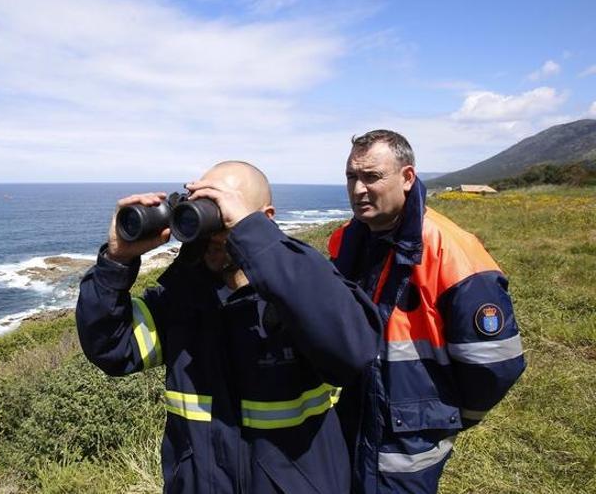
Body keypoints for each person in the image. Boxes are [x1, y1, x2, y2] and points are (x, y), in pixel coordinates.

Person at [76, 161, 381, 493]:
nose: (215, 232)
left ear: (264, 219)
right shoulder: (183, 300)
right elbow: (111, 347)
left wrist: (252, 237)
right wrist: (116, 262)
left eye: (224, 210)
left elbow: (352, 350)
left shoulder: (300, 291)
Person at [329, 130, 526, 493]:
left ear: (406, 178)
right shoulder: (346, 240)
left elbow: (496, 362)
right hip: (348, 424)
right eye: (351, 177)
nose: (358, 189)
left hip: (407, 444)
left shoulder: (451, 250)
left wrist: (441, 417)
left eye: (371, 177)